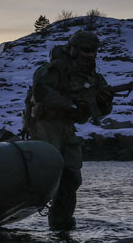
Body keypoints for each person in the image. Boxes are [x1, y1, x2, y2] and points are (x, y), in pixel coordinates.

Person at [28, 29, 114, 231]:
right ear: (74, 49)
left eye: (93, 50)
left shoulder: (93, 77)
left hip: (67, 126)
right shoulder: (54, 69)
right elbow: (41, 91)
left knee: (72, 176)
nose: (90, 54)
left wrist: (103, 101)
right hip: (45, 123)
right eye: (85, 50)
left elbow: (99, 111)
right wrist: (71, 103)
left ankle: (62, 224)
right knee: (48, 167)